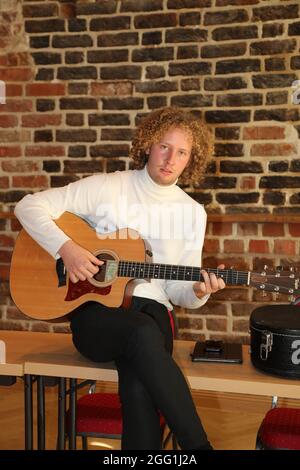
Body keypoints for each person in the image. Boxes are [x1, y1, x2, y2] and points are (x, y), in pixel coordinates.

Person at [14, 106, 225, 450]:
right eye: (164, 146)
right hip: (98, 315)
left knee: (139, 379)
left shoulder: (192, 213)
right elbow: (28, 206)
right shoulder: (108, 187)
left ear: (192, 159)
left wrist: (198, 290)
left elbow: (177, 290)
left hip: (153, 314)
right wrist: (66, 248)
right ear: (147, 145)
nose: (170, 158)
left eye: (182, 152)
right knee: (142, 336)